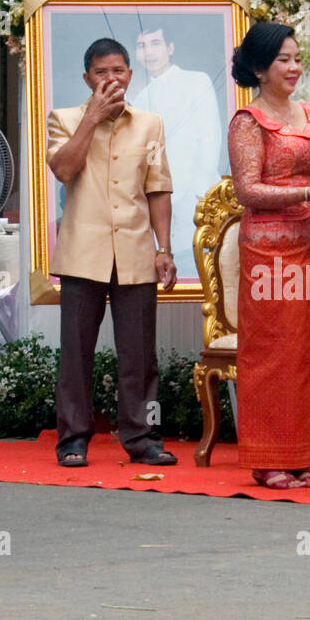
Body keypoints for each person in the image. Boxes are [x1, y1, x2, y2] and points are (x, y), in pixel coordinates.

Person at [48, 38, 178, 469]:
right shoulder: (64, 119)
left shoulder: (150, 124)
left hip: (137, 250)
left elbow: (158, 189)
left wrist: (165, 248)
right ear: (87, 78)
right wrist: (92, 118)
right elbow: (64, 169)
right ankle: (72, 440)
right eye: (101, 72)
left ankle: (144, 438)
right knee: (76, 353)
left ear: (130, 75)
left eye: (119, 70)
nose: (111, 79)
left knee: (141, 357)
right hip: (83, 253)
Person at [227, 22, 310, 489]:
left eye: (296, 58)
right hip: (269, 251)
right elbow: (246, 189)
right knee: (273, 353)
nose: (293, 68)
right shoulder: (248, 122)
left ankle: (302, 455)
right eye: (282, 61)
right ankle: (268, 457)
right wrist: (308, 191)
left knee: (309, 352)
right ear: (258, 68)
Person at [129, 25, 223, 280]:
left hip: (196, 195)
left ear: (170, 48)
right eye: (142, 45)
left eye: (156, 43)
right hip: (162, 201)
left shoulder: (197, 81)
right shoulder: (140, 98)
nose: (149, 52)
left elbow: (209, 139)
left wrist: (194, 192)